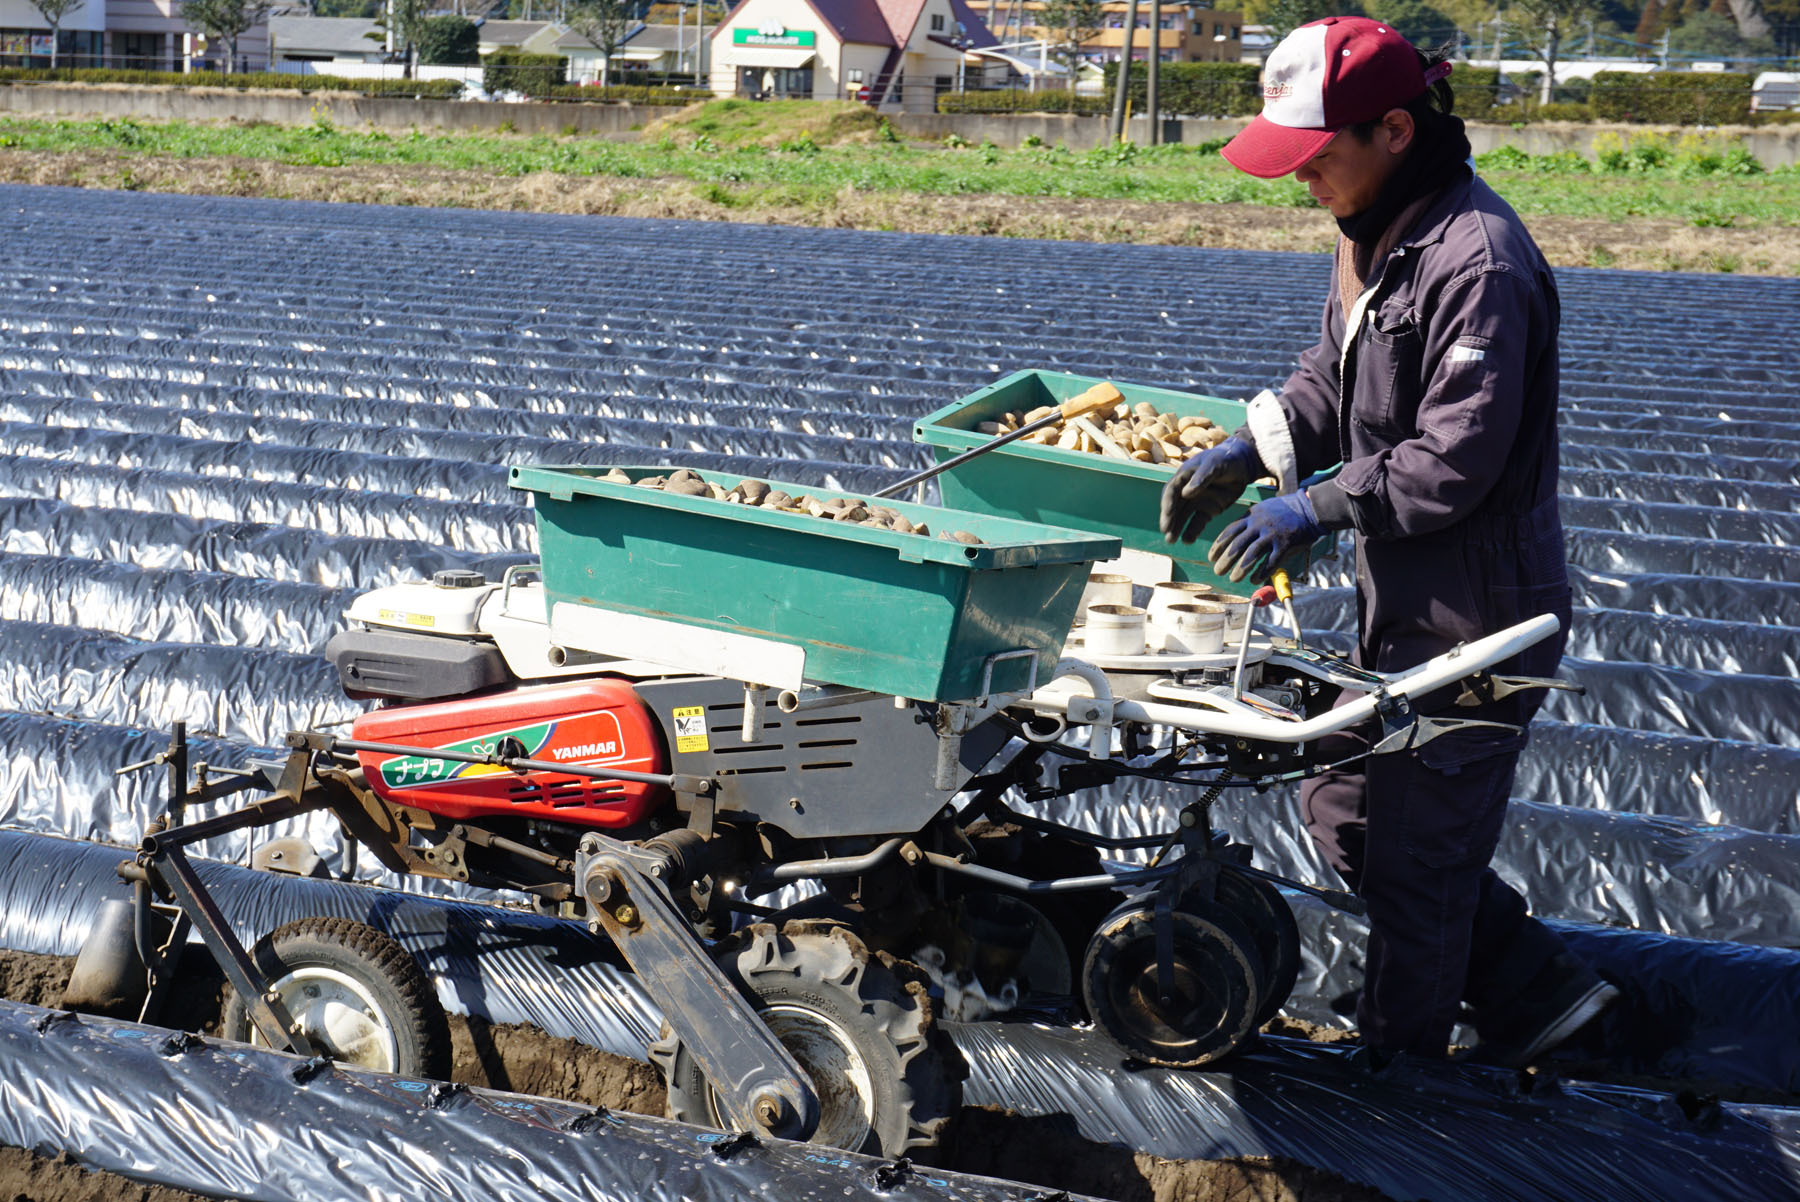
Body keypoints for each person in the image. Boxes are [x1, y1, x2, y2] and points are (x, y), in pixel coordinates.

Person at [1160, 16, 1616, 1067]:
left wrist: (1310, 508)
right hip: (1401, 599)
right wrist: (1255, 446)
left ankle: (1400, 1084)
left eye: (1318, 159)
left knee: (1416, 858)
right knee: (1339, 799)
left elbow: (1452, 460)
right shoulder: (1373, 232)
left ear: (1396, 130)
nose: (1304, 181)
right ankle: (1530, 984)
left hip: (1479, 616)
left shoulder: (1479, 263)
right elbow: (1334, 376)